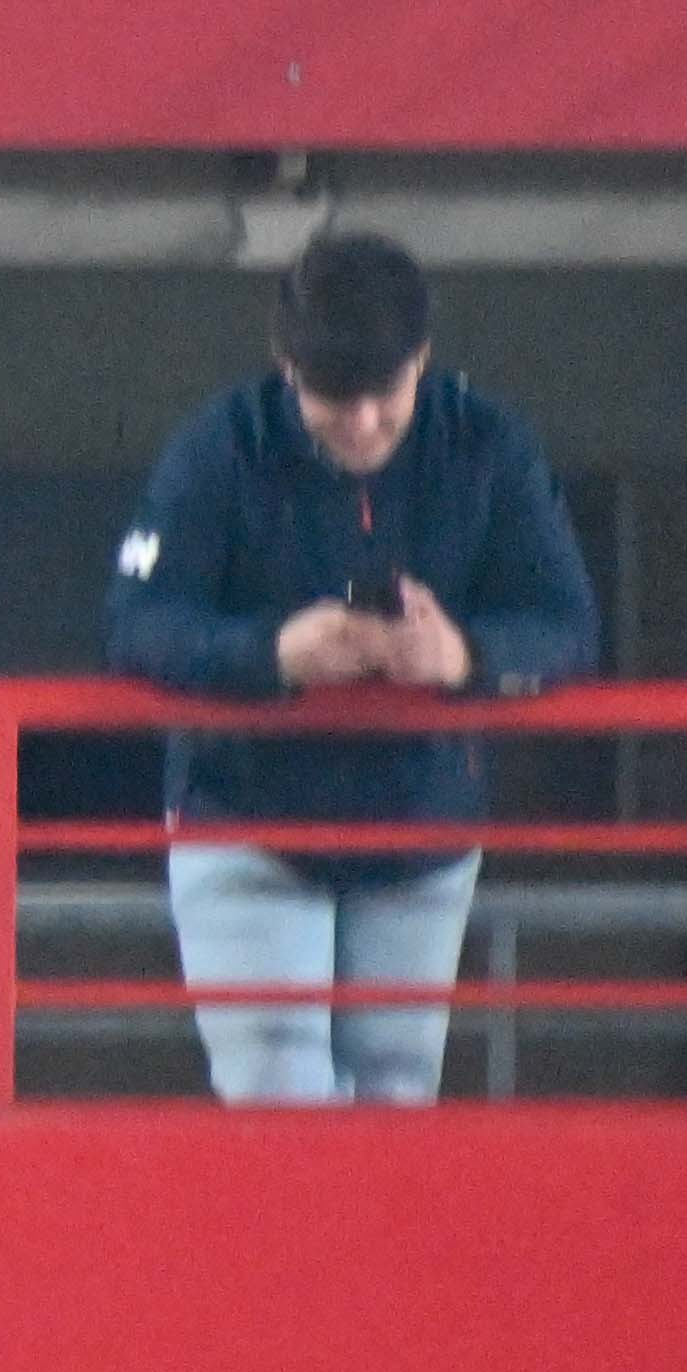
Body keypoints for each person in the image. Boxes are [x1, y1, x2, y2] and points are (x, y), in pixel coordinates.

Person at [102, 226, 598, 1110]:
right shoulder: (222, 447)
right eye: (335, 395)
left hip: (418, 837)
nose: (364, 422)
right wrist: (272, 653)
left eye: (387, 393)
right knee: (279, 1110)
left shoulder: (486, 445)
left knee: (394, 1118)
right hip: (247, 824)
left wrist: (467, 656)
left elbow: (566, 626)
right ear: (283, 363)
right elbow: (136, 625)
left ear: (425, 361)